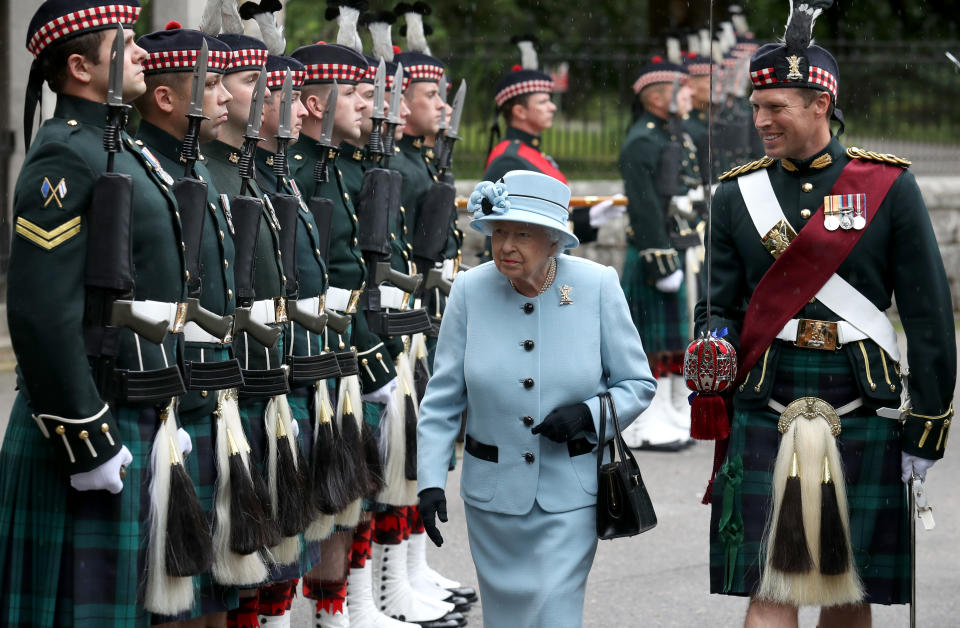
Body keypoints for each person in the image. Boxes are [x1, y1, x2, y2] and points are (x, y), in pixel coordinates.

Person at [695, 2, 956, 627]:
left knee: (847, 592)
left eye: (775, 107)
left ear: (820, 105)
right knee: (770, 589)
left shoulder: (887, 186)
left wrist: (927, 418)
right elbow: (719, 305)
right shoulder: (736, 194)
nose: (759, 120)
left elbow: (927, 314)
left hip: (860, 397)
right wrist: (713, 344)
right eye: (757, 107)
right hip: (766, 395)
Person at [0, 1, 196, 625]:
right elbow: (41, 310)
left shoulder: (125, 149)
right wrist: (85, 435)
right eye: (126, 44)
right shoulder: (65, 152)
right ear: (80, 66)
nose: (142, 54)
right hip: (90, 419)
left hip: (133, 404)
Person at [416, 170, 657, 627]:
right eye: (499, 231)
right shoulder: (469, 290)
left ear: (554, 241)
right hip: (493, 500)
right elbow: (443, 398)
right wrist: (429, 480)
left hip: (569, 496)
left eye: (522, 234)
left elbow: (638, 384)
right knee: (505, 618)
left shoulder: (596, 285)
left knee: (554, 612)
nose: (506, 245)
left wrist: (587, 414)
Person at [133, 24, 247, 626]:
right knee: (171, 593)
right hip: (168, 393)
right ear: (168, 98)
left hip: (208, 389)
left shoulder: (194, 166)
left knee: (206, 585)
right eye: (213, 83)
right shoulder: (143, 168)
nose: (226, 95)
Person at [618, 58, 701, 451]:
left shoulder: (670, 134)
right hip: (655, 254)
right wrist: (660, 256)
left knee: (671, 341)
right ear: (655, 98)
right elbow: (646, 205)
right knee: (648, 342)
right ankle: (643, 422)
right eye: (679, 88)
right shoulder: (642, 140)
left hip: (676, 245)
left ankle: (670, 410)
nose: (688, 94)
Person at [481, 37, 621, 261]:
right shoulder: (508, 160)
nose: (553, 107)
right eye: (543, 102)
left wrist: (590, 217)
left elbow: (546, 218)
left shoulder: (533, 155)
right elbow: (510, 229)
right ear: (520, 112)